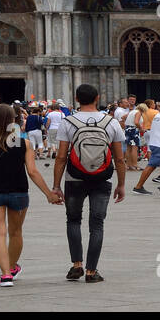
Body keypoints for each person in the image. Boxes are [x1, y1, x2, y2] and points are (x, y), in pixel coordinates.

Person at [0, 103, 59, 287]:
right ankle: (11, 267)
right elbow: (33, 172)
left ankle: (5, 275)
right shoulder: (24, 143)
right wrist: (48, 194)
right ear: (13, 121)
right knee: (16, 232)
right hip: (18, 191)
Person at [52, 83, 125, 282]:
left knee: (73, 221)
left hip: (74, 178)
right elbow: (119, 158)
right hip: (103, 179)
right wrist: (121, 184)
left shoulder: (68, 122)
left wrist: (56, 186)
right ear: (98, 98)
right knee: (97, 225)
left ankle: (77, 265)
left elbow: (60, 157)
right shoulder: (111, 122)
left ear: (76, 99)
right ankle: (92, 272)